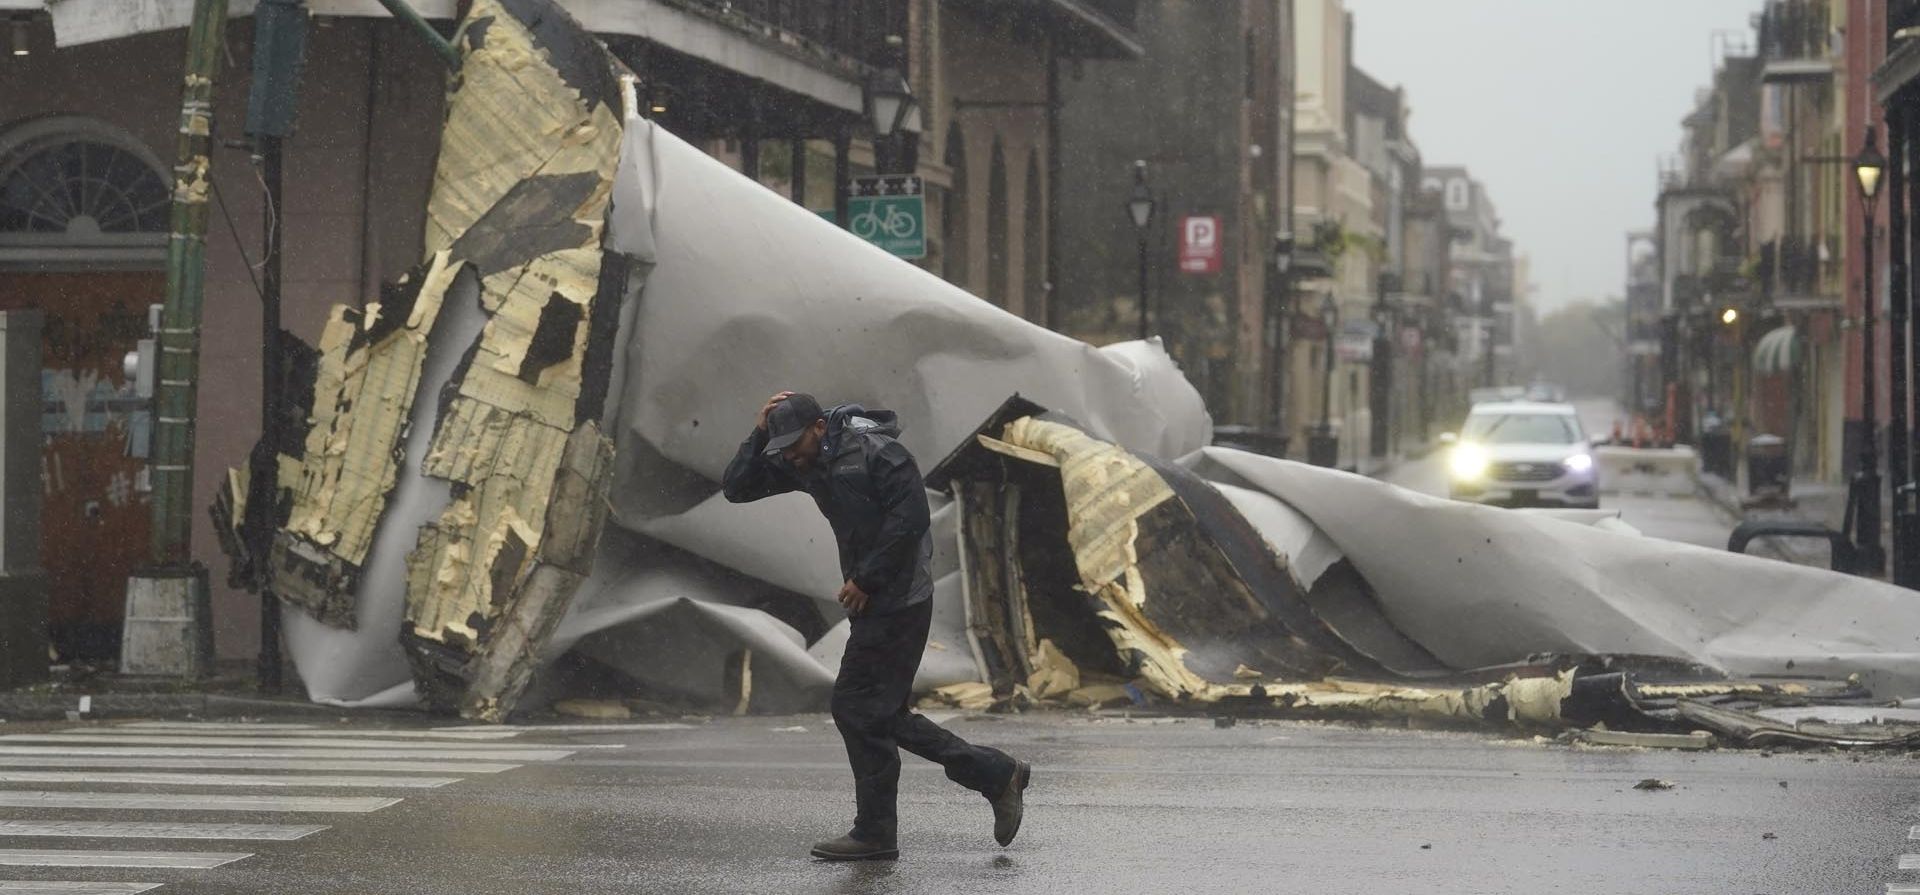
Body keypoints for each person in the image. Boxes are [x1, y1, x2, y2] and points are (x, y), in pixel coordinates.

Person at [723, 391, 1030, 862]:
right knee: (875, 712)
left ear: (820, 428)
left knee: (858, 707)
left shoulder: (877, 452)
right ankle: (984, 778)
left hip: (901, 596)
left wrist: (867, 578)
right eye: (781, 447)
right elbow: (737, 488)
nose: (789, 456)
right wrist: (760, 433)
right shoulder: (803, 459)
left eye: (794, 443)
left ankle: (884, 828)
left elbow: (911, 519)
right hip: (874, 598)